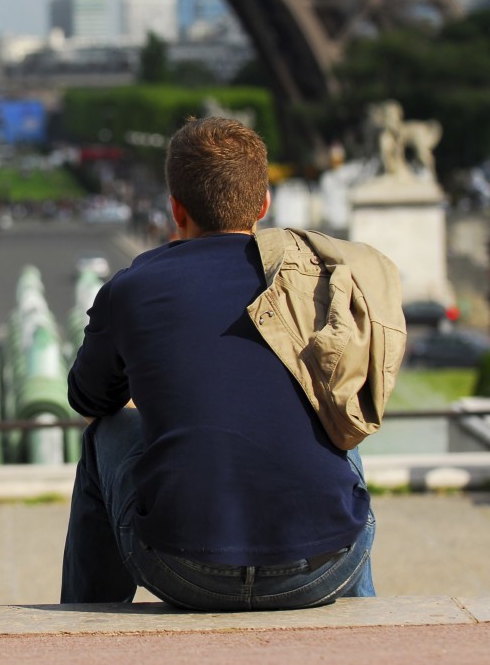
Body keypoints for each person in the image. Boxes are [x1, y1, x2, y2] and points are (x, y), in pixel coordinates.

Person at [61, 116, 405, 610]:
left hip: (181, 567)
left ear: (175, 208)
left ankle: (87, 614)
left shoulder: (132, 287)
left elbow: (89, 399)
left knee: (106, 435)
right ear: (264, 204)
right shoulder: (311, 280)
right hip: (326, 568)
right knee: (338, 424)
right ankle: (364, 619)